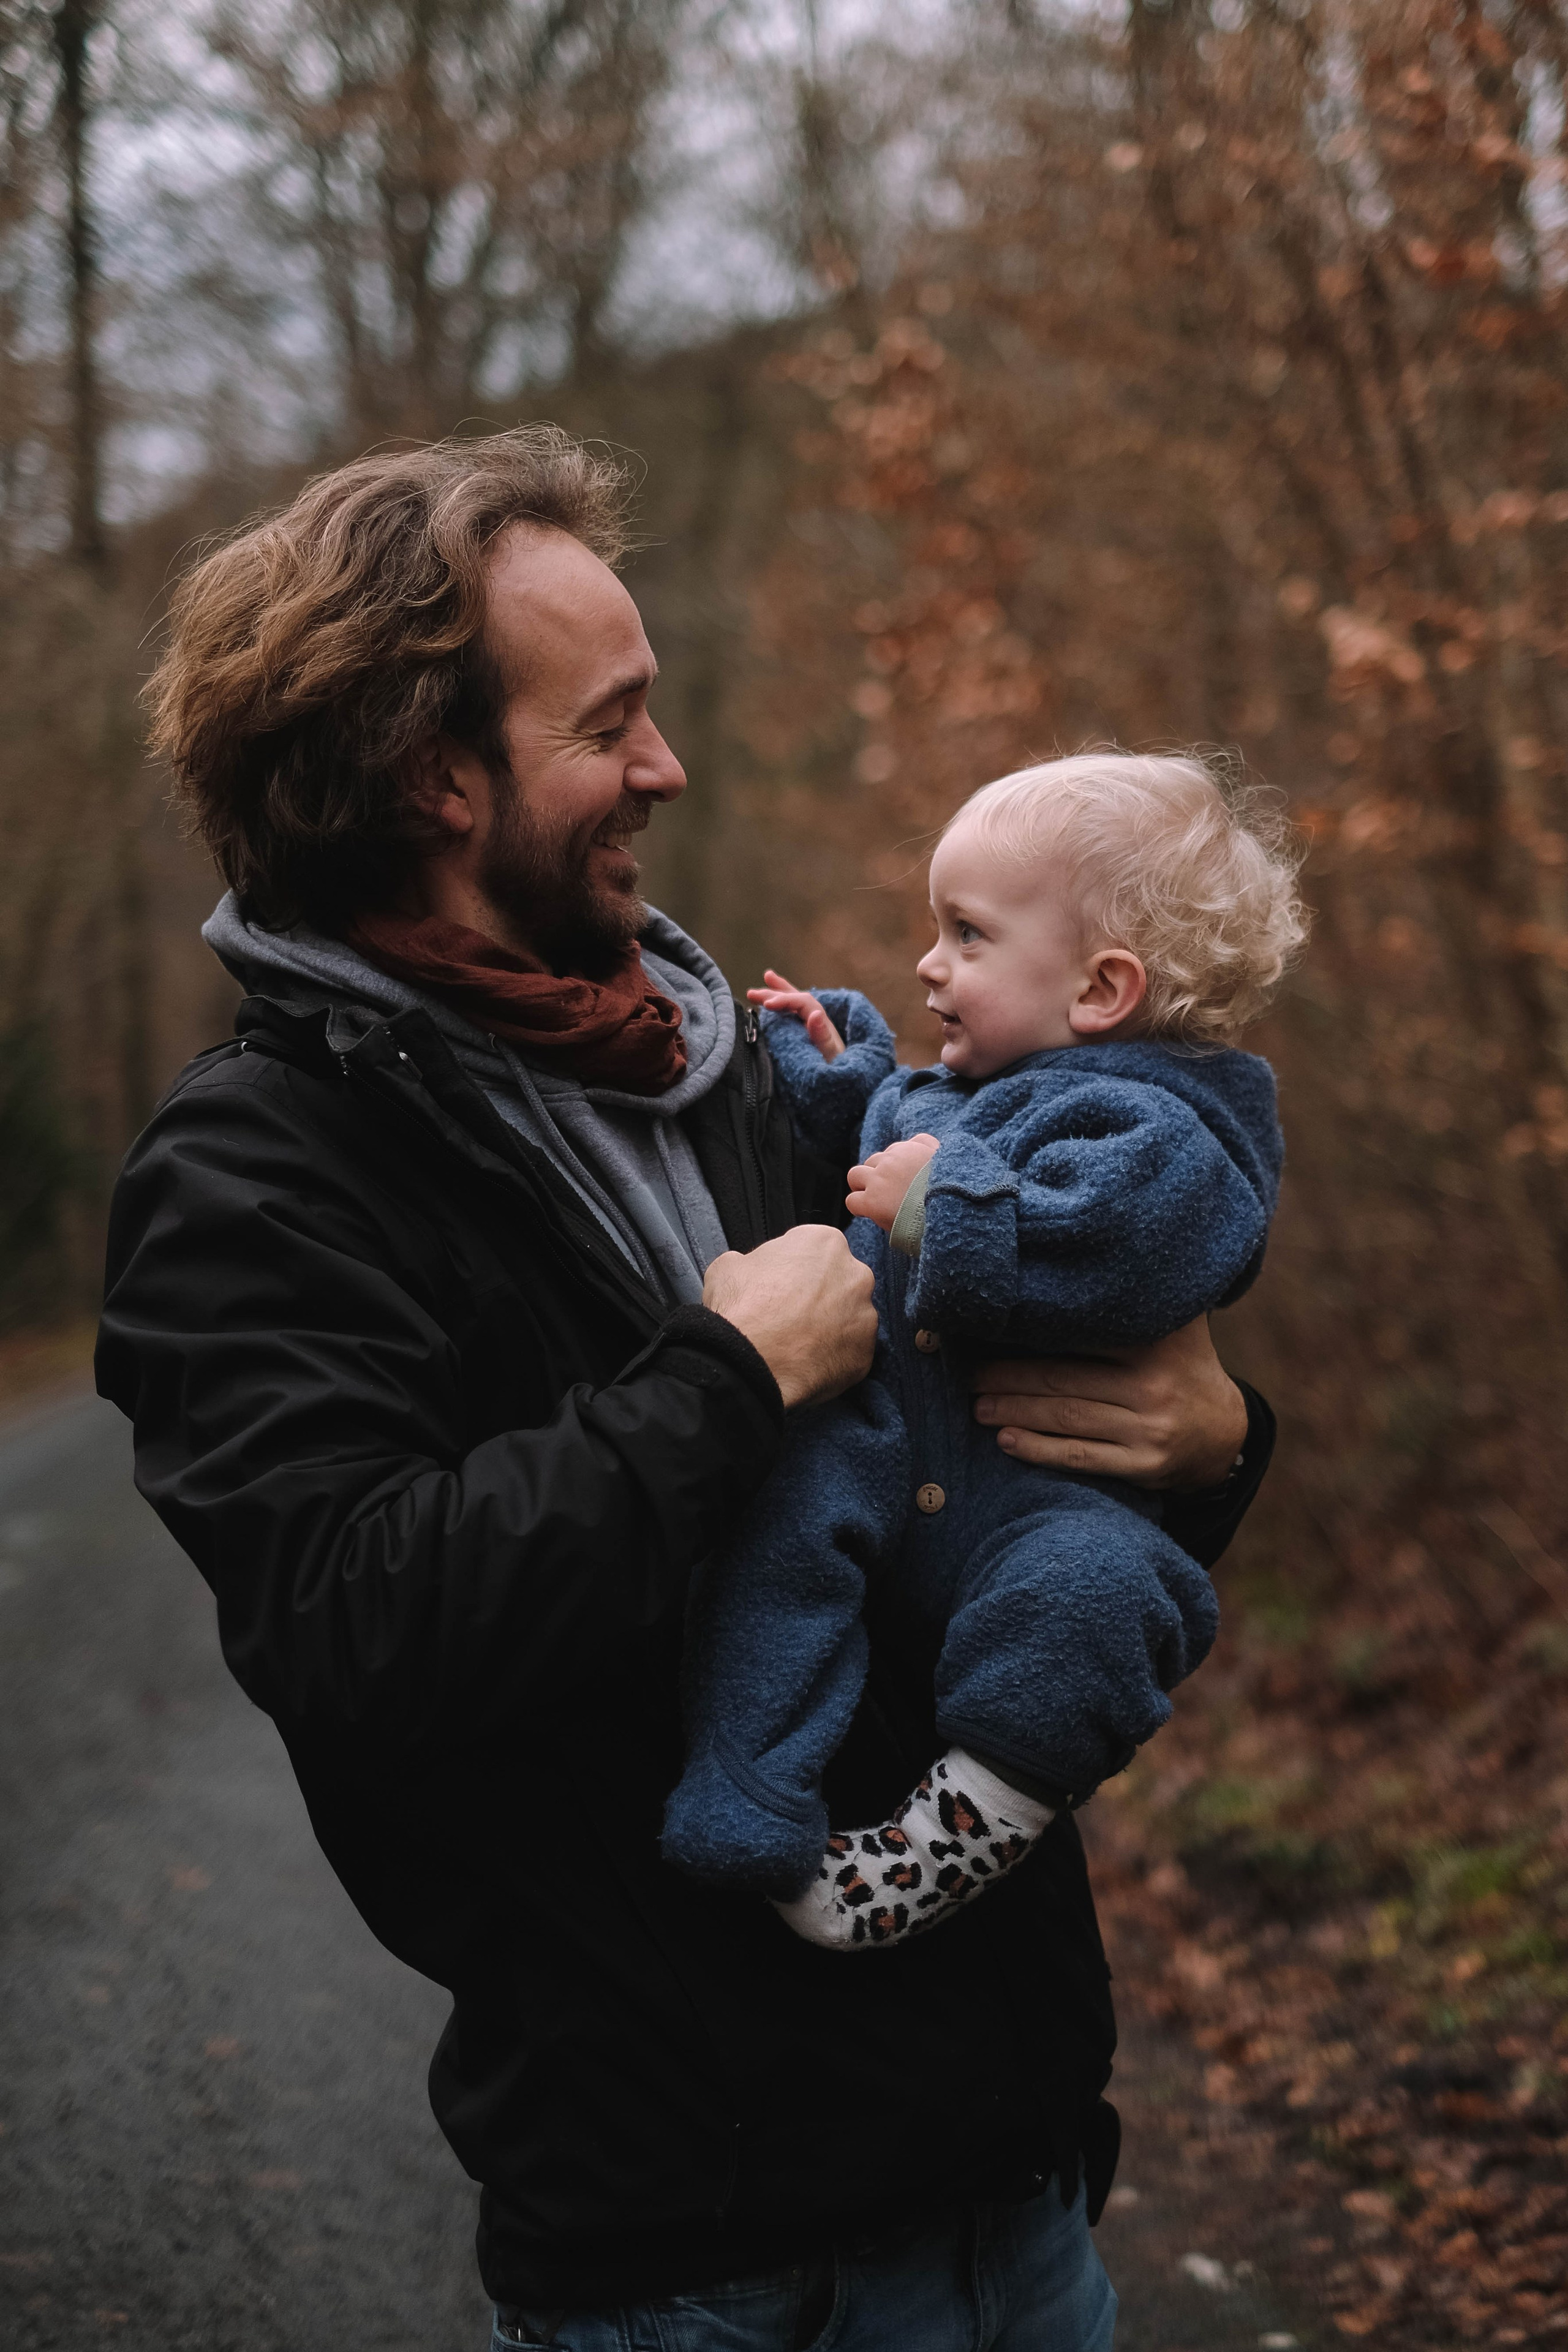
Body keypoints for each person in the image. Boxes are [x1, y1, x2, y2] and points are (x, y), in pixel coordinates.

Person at [95, 428, 1276, 2352]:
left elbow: (970, 1476)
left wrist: (1215, 1443)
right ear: (430, 775)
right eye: (610, 724)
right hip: (702, 2255)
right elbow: (355, 1626)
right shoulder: (257, 1180)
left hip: (1022, 2179)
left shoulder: (752, 1064)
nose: (665, 768)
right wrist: (727, 1380)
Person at [663, 753, 1303, 1951]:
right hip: (879, 1444)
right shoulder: (968, 1089)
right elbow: (882, 1136)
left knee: (1092, 1608)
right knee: (777, 1538)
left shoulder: (1164, 1126)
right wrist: (834, 1069)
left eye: (965, 935)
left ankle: (936, 1846)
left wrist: (936, 1210)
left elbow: (1120, 1242)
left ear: (1101, 989)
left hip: (1037, 1508)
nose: (927, 964)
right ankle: (745, 1798)